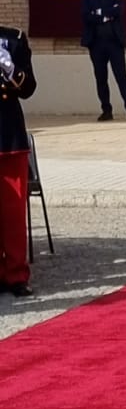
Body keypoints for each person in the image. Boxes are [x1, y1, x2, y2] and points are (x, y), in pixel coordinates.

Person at [0, 21, 36, 296]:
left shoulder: (14, 38)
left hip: (8, 133)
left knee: (13, 211)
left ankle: (15, 275)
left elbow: (28, 88)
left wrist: (12, 70)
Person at [80, 0, 126, 123]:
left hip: (115, 43)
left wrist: (99, 13)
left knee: (122, 77)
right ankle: (106, 110)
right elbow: (87, 16)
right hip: (96, 45)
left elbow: (118, 11)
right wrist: (106, 15)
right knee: (101, 78)